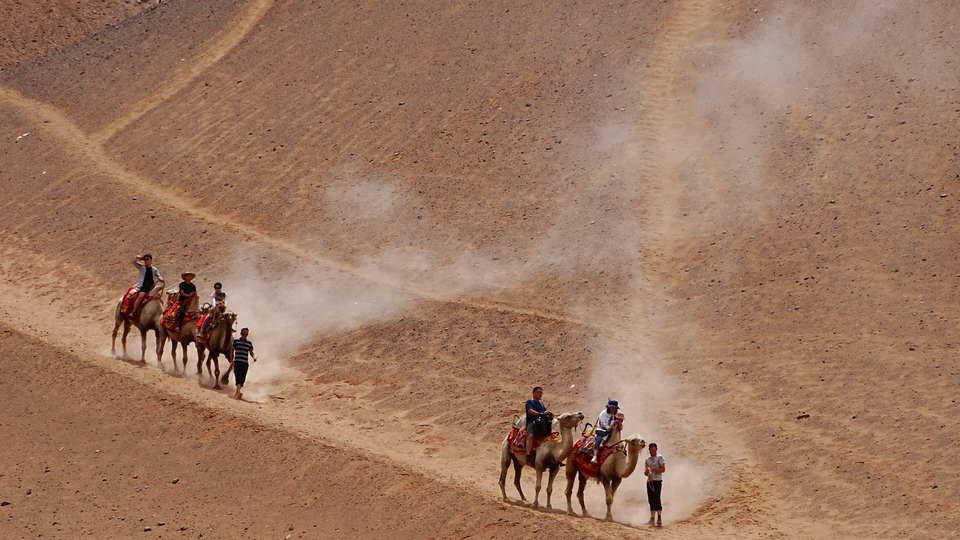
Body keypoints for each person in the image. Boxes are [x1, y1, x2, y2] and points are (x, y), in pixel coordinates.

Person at [523, 387, 551, 465]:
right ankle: (528, 455)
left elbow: (544, 412)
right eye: (538, 392)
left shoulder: (541, 404)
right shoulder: (529, 402)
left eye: (541, 392)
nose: (540, 394)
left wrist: (548, 413)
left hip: (541, 423)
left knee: (552, 435)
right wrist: (540, 414)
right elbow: (530, 411)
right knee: (531, 436)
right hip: (532, 422)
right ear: (533, 393)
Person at [130, 254, 162, 319]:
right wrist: (136, 257)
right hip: (143, 287)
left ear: (151, 260)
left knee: (159, 299)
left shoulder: (154, 269)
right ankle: (134, 311)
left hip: (151, 288)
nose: (146, 261)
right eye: (145, 259)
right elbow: (133, 262)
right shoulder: (141, 267)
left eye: (147, 259)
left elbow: (158, 276)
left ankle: (160, 313)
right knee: (140, 297)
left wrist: (161, 279)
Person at [230, 327, 257, 400]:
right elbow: (232, 351)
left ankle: (237, 392)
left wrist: (254, 357)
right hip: (237, 362)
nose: (244, 335)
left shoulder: (249, 343)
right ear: (240, 334)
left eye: (246, 334)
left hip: (245, 363)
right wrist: (231, 361)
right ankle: (239, 393)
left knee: (242, 379)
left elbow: (251, 352)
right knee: (238, 377)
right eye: (243, 334)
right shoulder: (236, 341)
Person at [644, 442, 666, 526]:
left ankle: (659, 517)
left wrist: (652, 469)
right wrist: (646, 472)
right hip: (650, 481)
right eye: (651, 450)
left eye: (654, 450)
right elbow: (646, 473)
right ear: (649, 450)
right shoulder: (647, 460)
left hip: (657, 481)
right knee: (651, 500)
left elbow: (663, 469)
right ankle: (652, 518)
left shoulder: (660, 457)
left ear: (656, 449)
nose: (653, 451)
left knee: (657, 498)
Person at [591, 399, 619, 463]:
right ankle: (594, 456)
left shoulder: (613, 415)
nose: (613, 409)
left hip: (608, 430)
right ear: (608, 408)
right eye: (612, 408)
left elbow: (612, 422)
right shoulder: (603, 413)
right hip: (601, 429)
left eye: (614, 408)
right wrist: (609, 427)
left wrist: (613, 426)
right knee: (598, 439)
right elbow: (602, 422)